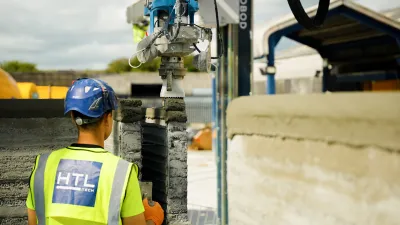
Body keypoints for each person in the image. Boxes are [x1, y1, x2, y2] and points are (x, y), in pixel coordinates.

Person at [26, 78, 164, 225]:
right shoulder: (122, 173)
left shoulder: (42, 166)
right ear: (107, 118)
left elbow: (33, 221)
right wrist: (152, 220)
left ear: (73, 117)